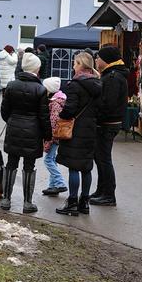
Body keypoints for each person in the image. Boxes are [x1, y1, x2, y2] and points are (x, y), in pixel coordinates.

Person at [0, 53, 50, 213]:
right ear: (37, 69)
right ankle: (27, 202)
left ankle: (6, 199)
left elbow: (4, 111)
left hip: (14, 127)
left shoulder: (11, 85)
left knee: (11, 163)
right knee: (29, 165)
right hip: (33, 131)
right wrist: (47, 135)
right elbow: (44, 116)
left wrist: (12, 120)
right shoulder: (40, 89)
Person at [55, 53, 103, 216]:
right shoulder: (98, 84)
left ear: (81, 64)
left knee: (74, 167)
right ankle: (85, 202)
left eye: (75, 63)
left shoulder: (75, 85)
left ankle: (72, 202)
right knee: (86, 167)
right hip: (90, 129)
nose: (73, 66)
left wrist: (61, 114)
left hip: (75, 130)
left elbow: (70, 109)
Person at [89, 45, 130, 207]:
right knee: (100, 158)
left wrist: (96, 116)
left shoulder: (113, 77)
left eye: (98, 57)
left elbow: (108, 104)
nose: (96, 60)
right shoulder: (111, 75)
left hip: (107, 124)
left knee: (104, 159)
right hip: (107, 122)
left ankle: (108, 195)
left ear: (106, 60)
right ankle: (101, 190)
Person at [41, 77, 67, 198]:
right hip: (57, 135)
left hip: (54, 136)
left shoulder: (55, 103)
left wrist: (49, 138)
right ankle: (53, 186)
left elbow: (53, 122)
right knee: (52, 159)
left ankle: (60, 182)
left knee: (48, 160)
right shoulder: (59, 100)